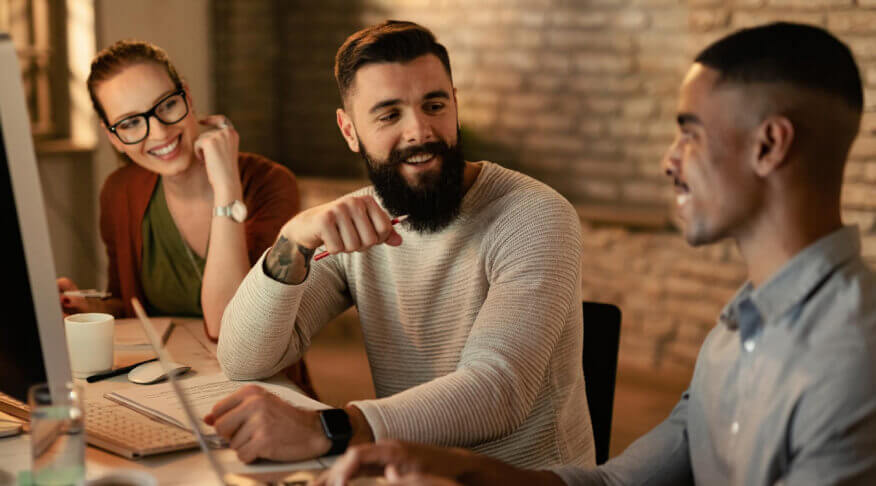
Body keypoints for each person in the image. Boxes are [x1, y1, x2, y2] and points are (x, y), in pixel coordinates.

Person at [316, 22, 876, 486]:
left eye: (691, 134)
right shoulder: (740, 326)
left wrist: (345, 428)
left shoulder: (851, 356)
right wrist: (457, 470)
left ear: (769, 145)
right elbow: (615, 483)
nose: (670, 161)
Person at [202, 20, 594, 469]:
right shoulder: (357, 221)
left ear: (455, 105)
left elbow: (498, 390)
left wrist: (325, 429)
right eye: (389, 114)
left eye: (434, 105)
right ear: (349, 131)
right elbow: (242, 357)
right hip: (409, 472)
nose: (420, 131)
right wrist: (293, 239)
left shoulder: (535, 215)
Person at [57, 40, 312, 394]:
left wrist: (227, 192)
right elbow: (131, 307)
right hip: (169, 386)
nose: (160, 132)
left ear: (187, 97)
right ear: (113, 137)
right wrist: (87, 306)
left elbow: (231, 328)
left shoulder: (270, 184)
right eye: (131, 123)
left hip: (262, 388)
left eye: (167, 105)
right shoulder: (119, 191)